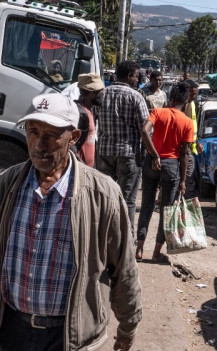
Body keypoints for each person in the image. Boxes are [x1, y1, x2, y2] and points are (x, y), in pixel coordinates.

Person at [0, 93, 142, 351]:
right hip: (12, 332)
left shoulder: (102, 193)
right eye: (33, 132)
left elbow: (124, 266)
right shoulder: (8, 183)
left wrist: (128, 325)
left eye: (51, 135)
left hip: (67, 338)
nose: (39, 144)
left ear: (73, 136)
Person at [136, 82, 194, 262]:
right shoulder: (187, 122)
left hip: (151, 163)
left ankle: (139, 249)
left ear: (170, 99)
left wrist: (153, 154)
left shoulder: (157, 112)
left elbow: (144, 131)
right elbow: (184, 154)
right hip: (172, 166)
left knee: (146, 205)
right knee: (166, 210)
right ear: (185, 103)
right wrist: (183, 181)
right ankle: (155, 253)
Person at [95, 60, 149, 233]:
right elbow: (146, 128)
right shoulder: (136, 96)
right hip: (128, 155)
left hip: (104, 153)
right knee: (128, 201)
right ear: (129, 76)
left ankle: (102, 238)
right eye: (136, 76)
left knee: (104, 198)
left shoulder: (102, 94)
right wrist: (148, 153)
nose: (137, 79)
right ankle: (126, 242)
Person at [74, 73, 104, 167]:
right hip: (80, 170)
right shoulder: (80, 113)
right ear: (91, 93)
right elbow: (71, 145)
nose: (103, 94)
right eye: (100, 91)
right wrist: (82, 167)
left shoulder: (90, 110)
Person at [183, 79, 204, 199]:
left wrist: (196, 143)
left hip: (191, 147)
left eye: (195, 94)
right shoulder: (182, 105)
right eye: (192, 93)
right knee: (187, 179)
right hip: (184, 149)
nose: (193, 96)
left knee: (188, 178)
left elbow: (192, 127)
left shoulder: (192, 104)